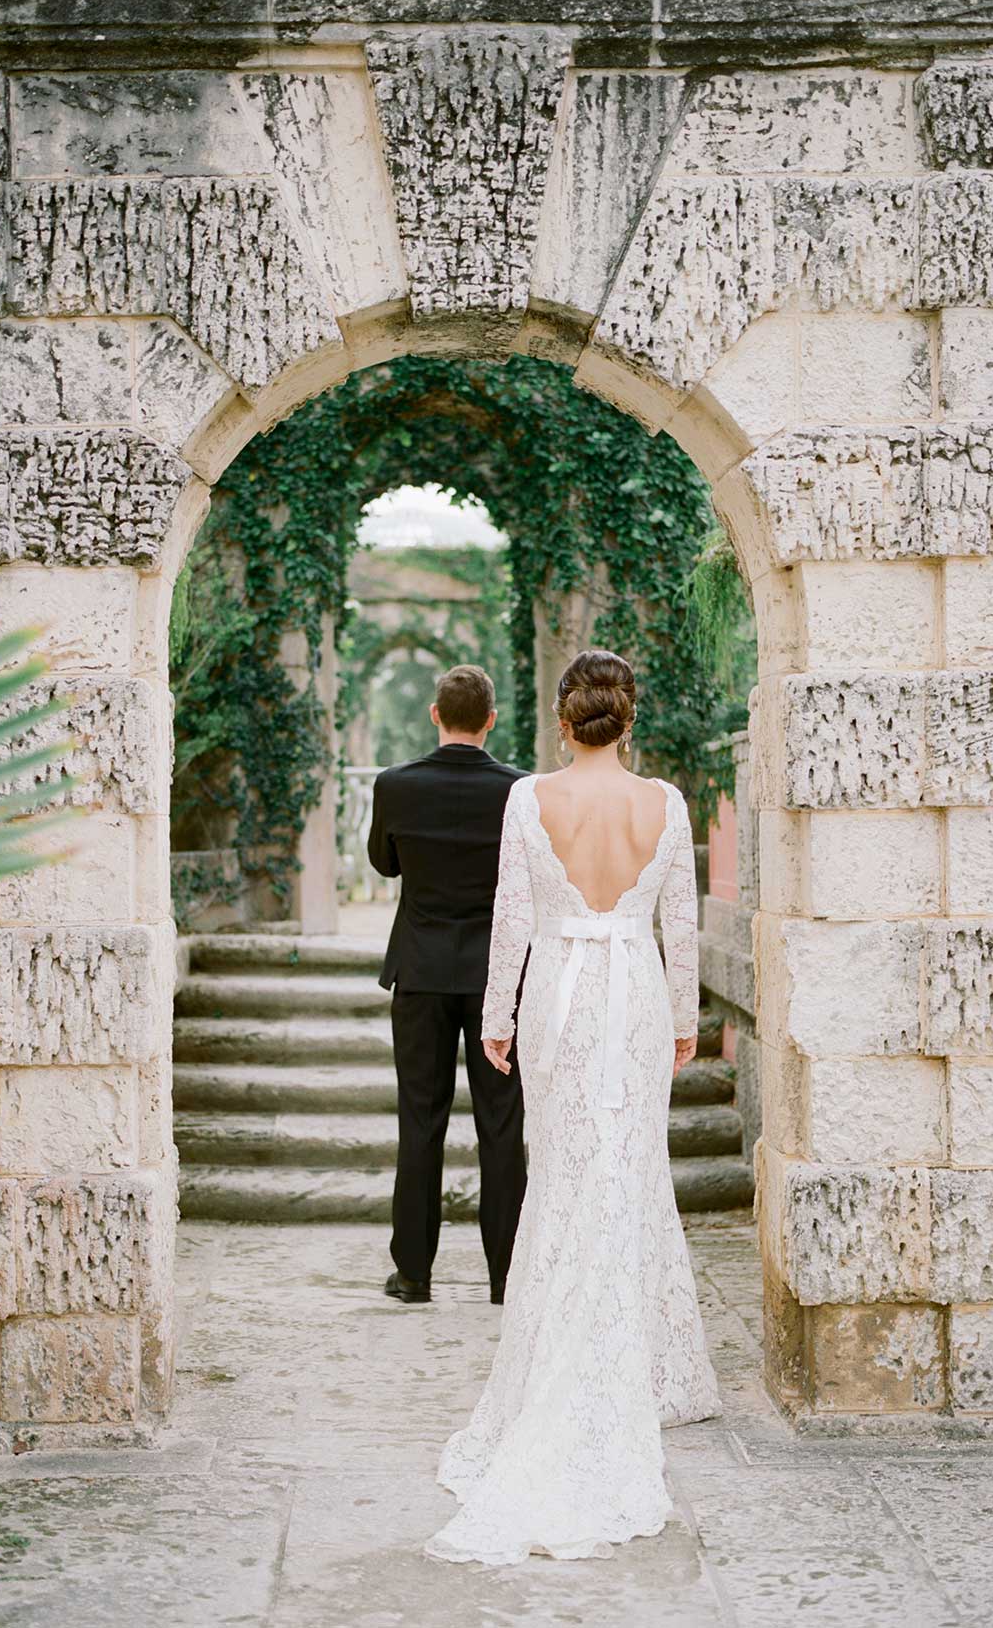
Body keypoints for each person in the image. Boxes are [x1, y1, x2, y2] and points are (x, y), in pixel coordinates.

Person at [425, 648, 720, 1566]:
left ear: (564, 720)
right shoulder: (665, 803)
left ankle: (559, 1365)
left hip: (555, 996)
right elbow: (682, 924)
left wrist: (498, 1017)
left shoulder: (530, 798)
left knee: (561, 1174)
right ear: (628, 719)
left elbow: (512, 916)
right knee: (628, 1170)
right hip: (635, 996)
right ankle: (636, 1365)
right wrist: (684, 1018)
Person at [368, 664, 528, 1307]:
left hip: (421, 971)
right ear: (491, 719)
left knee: (420, 1121)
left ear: (435, 714)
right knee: (502, 1124)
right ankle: (506, 1275)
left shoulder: (395, 784)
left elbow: (384, 864)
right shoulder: (520, 791)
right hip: (499, 977)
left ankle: (413, 1273)